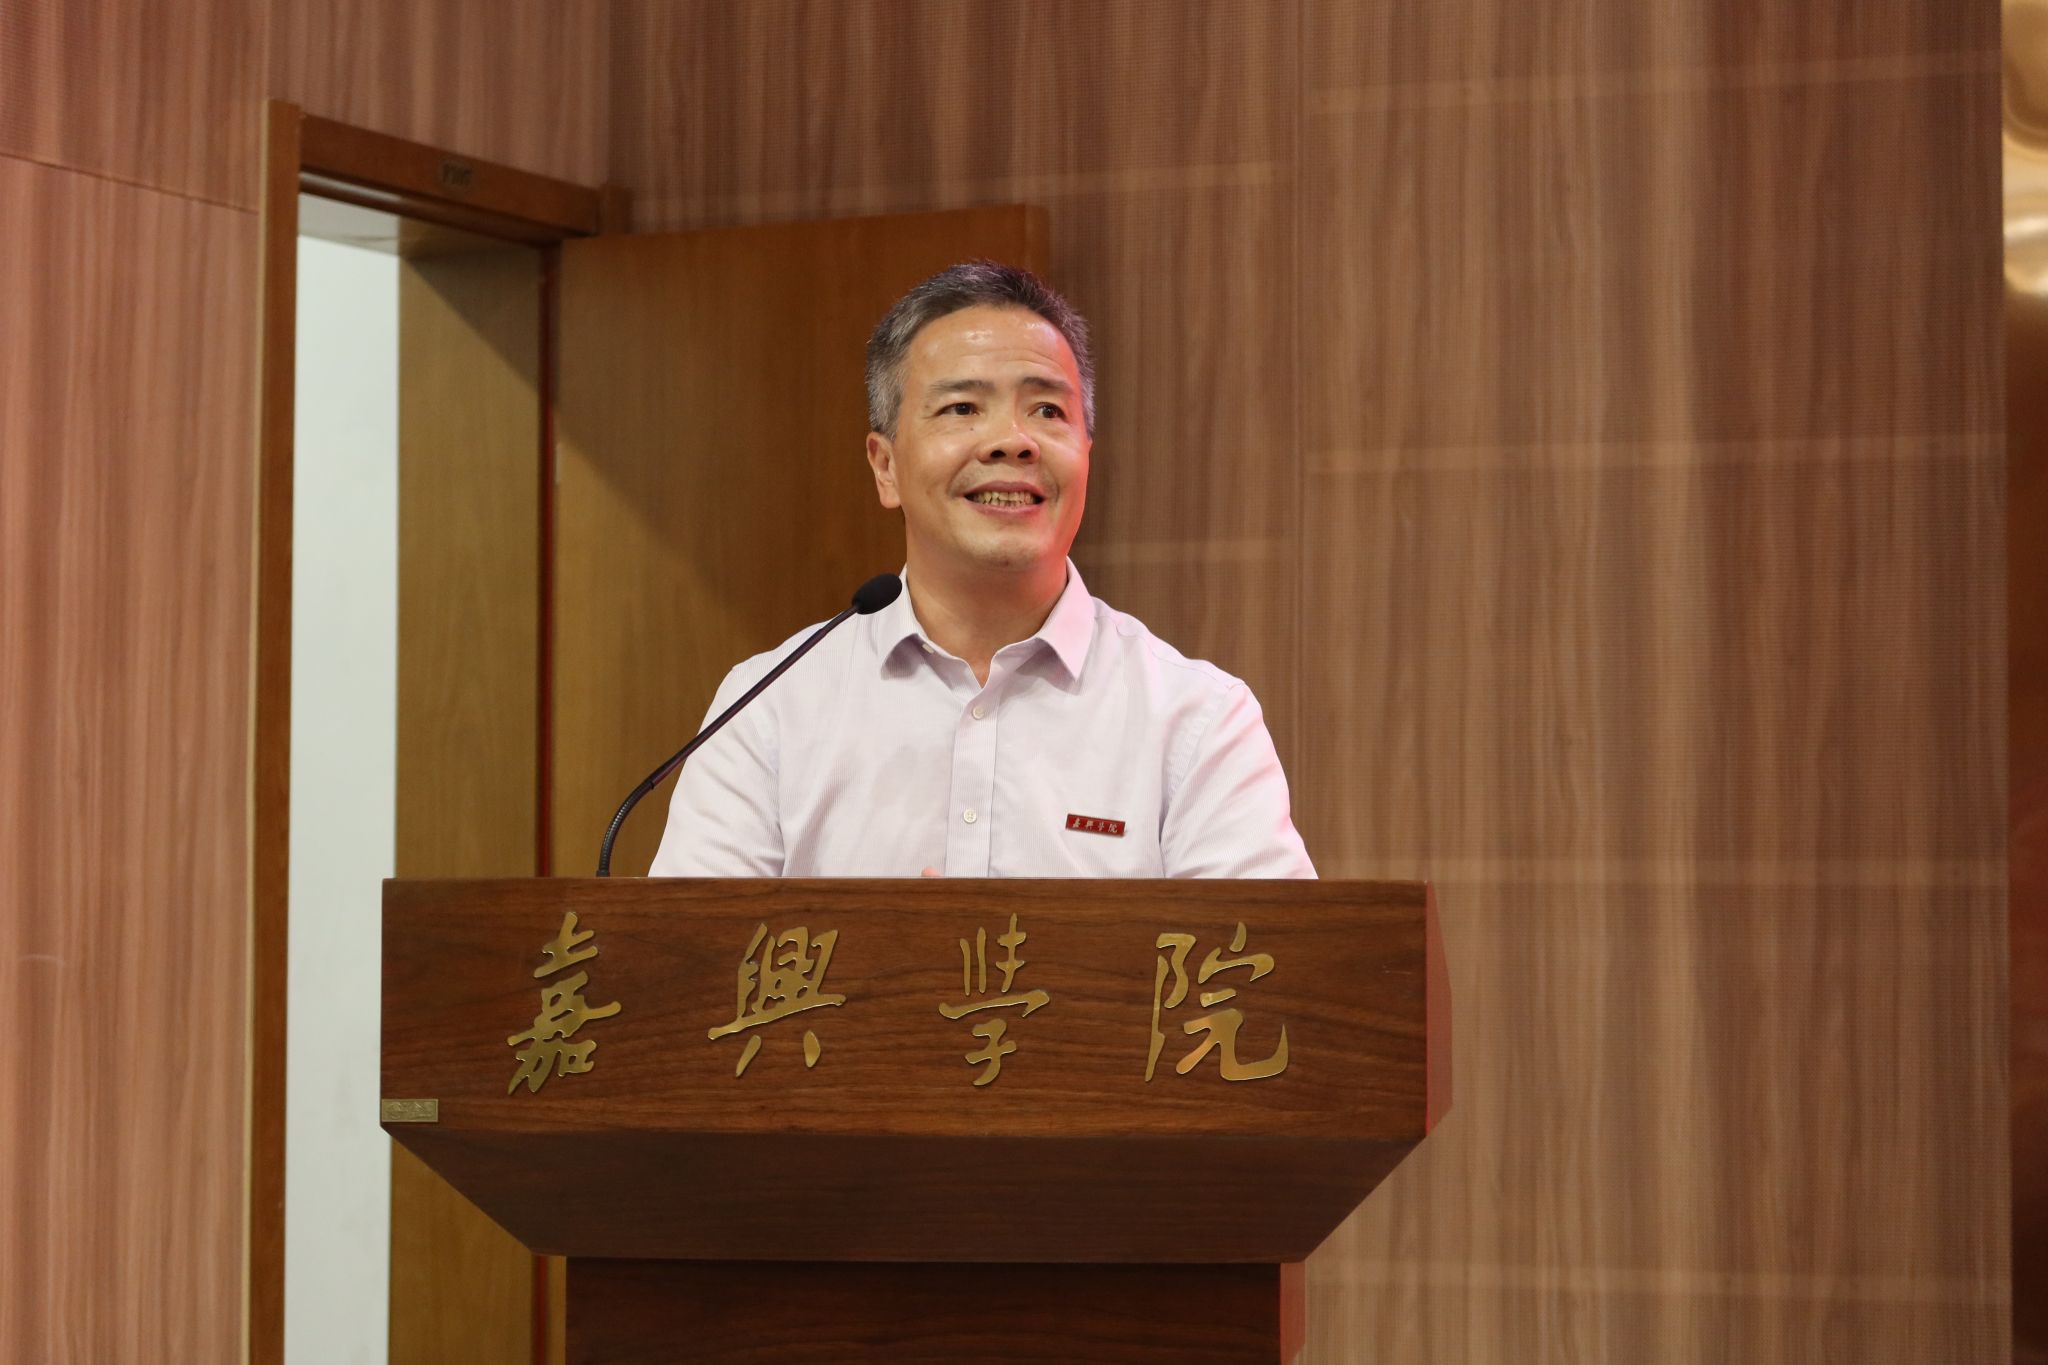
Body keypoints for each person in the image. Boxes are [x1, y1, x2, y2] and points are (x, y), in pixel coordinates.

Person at [649, 262, 1314, 879]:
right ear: (886, 466)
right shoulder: (767, 707)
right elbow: (691, 956)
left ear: (1087, 454)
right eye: (962, 408)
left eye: (1048, 410)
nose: (1011, 441)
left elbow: (1257, 960)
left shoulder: (1197, 720)